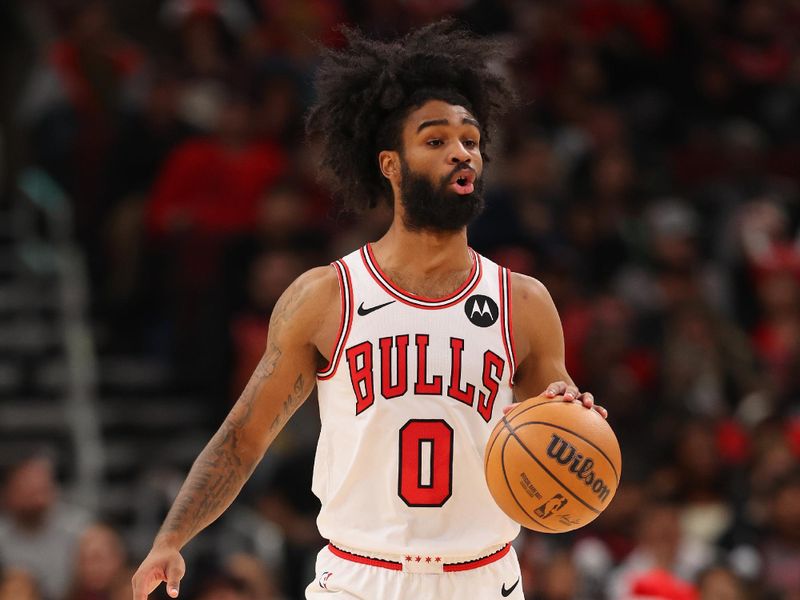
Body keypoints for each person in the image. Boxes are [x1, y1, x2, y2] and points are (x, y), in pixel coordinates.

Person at [131, 20, 606, 600]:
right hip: (360, 577)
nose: (461, 153)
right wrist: (170, 537)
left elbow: (558, 428)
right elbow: (245, 435)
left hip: (482, 578)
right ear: (389, 163)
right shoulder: (326, 296)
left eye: (471, 140)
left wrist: (576, 415)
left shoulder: (524, 303)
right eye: (435, 141)